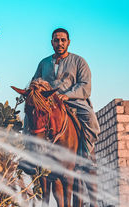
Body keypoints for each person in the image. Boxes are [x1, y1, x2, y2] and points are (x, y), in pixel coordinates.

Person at [32, 28, 100, 156]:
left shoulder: (79, 61)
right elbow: (35, 82)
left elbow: (85, 85)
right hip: (48, 102)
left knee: (91, 119)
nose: (60, 43)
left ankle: (86, 155)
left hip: (74, 101)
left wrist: (67, 95)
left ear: (68, 42)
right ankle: (30, 155)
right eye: (56, 40)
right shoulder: (44, 63)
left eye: (63, 40)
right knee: (30, 117)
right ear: (52, 42)